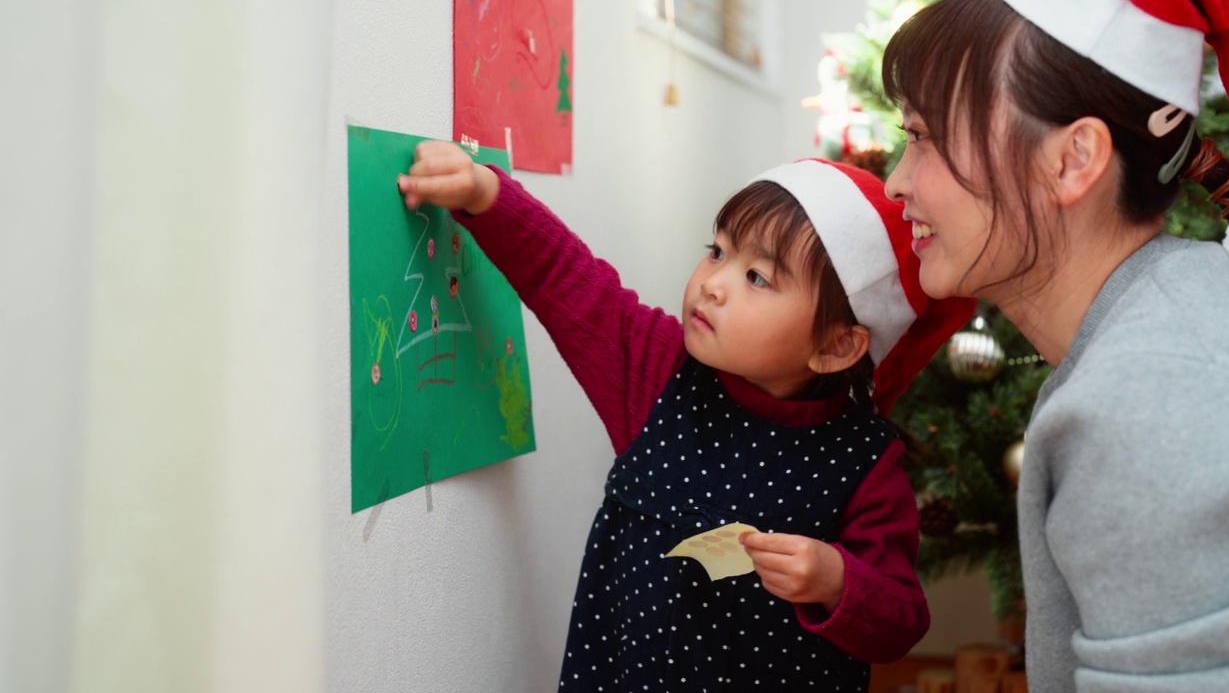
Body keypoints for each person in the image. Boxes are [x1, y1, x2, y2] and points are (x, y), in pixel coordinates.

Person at [398, 143, 974, 691]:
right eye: (718, 250)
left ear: (837, 347)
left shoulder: (863, 464)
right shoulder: (656, 371)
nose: (713, 283)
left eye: (758, 278)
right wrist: (485, 194)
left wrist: (835, 580)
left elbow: (901, 621)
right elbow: (564, 277)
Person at [881, 0, 1229, 690]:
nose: (895, 182)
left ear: (1073, 160)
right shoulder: (1155, 333)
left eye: (923, 137)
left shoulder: (1152, 402)